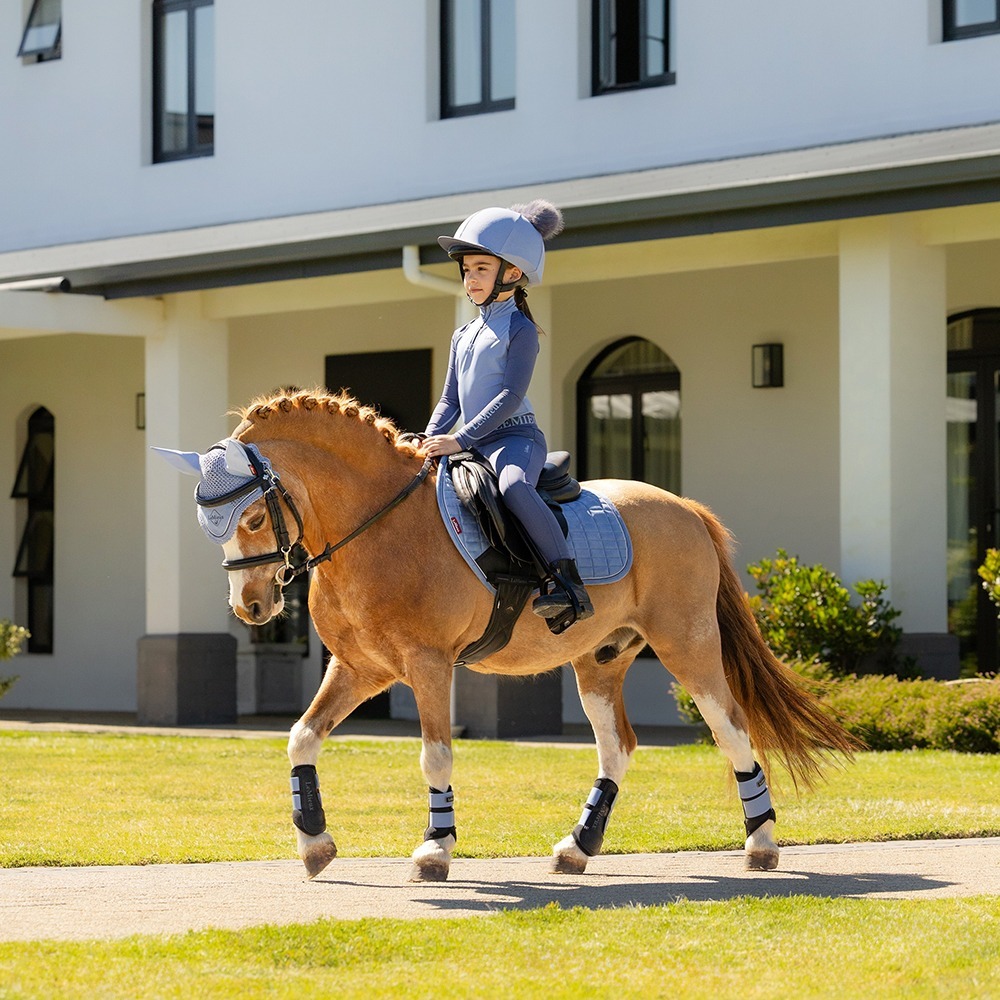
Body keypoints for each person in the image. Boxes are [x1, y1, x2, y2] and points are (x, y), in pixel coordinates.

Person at [421, 199, 594, 627]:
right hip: (474, 444)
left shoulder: (520, 330)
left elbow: (510, 397)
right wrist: (426, 439)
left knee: (514, 486)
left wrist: (459, 440)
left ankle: (567, 583)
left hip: (515, 439)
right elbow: (449, 401)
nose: (470, 277)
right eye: (466, 269)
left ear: (512, 274)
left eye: (481, 268)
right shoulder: (462, 335)